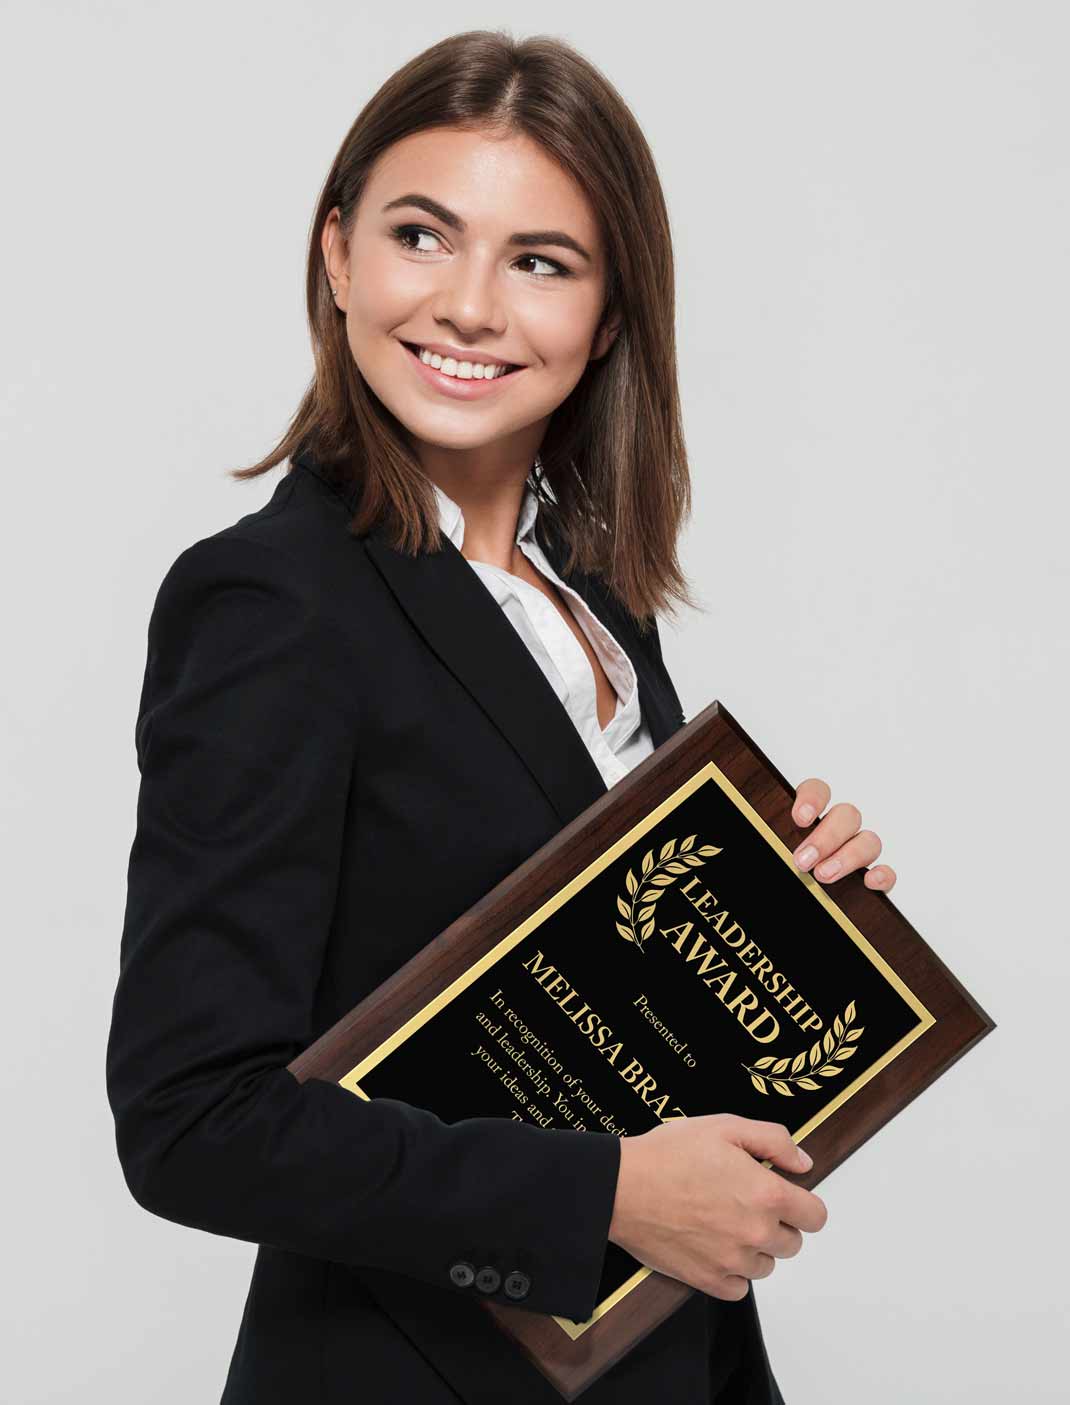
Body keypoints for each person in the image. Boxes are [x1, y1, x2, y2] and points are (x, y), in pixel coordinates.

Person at [105, 29, 897, 1405]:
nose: (470, 305)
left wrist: (787, 906)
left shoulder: (590, 597)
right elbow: (193, 1120)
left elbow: (571, 995)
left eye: (540, 261)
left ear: (605, 318)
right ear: (337, 252)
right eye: (424, 235)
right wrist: (603, 1195)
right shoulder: (272, 601)